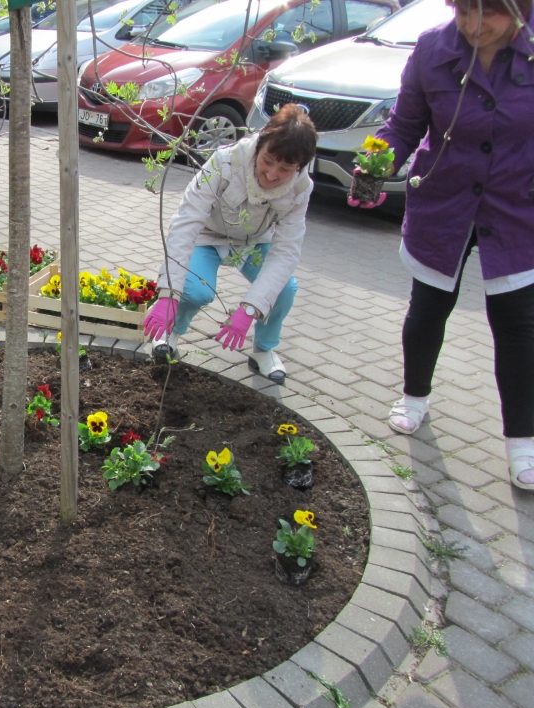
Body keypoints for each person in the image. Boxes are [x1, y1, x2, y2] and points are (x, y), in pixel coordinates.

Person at [359, 0, 534, 491]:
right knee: (429, 305)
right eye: (464, 13)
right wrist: (378, 162)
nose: (474, 27)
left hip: (518, 208)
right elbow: (404, 125)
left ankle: (524, 440)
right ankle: (415, 397)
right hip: (445, 199)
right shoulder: (433, 47)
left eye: (490, 16)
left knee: (519, 325)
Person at [142, 103, 317, 384]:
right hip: (207, 236)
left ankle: (264, 350)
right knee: (194, 290)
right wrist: (168, 294)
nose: (272, 175)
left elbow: (286, 252)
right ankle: (169, 331)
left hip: (253, 243)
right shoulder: (224, 163)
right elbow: (186, 224)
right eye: (268, 161)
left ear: (299, 167)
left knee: (285, 289)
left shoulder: (300, 187)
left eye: (285, 169)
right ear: (259, 145)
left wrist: (250, 308)